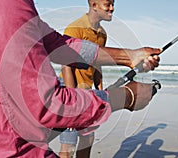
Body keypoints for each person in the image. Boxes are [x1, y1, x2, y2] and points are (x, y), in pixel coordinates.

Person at [0, 0, 161, 157]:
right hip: (9, 150)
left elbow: (55, 43)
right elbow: (49, 104)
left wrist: (128, 57)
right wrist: (127, 97)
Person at [59, 0, 114, 157]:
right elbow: (66, 65)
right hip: (69, 89)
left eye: (113, 3)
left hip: (88, 91)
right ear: (94, 5)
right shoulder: (75, 29)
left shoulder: (102, 34)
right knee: (68, 146)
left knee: (87, 140)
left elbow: (98, 64)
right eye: (108, 4)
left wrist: (101, 91)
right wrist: (71, 101)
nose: (112, 8)